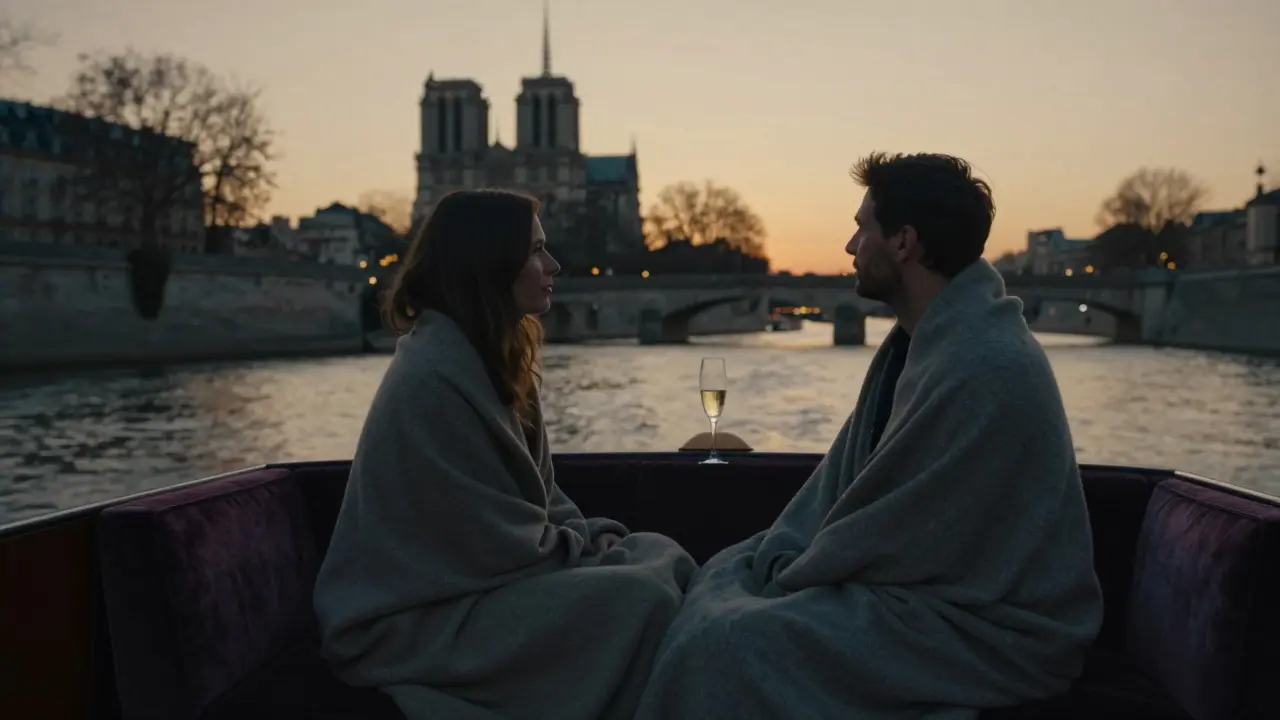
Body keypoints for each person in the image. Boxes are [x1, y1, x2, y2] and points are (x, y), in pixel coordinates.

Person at [634, 153, 1105, 719]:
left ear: (904, 242)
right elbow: (887, 513)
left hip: (994, 633)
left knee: (725, 643)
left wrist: (793, 573)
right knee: (722, 578)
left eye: (862, 228)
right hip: (932, 602)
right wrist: (784, 560)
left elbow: (905, 534)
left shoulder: (987, 365)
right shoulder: (925, 343)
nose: (850, 246)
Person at [313, 189, 697, 720]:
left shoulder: (490, 356)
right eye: (536, 251)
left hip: (473, 588)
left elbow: (539, 495)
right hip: (411, 622)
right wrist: (585, 544)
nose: (554, 265)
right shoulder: (432, 379)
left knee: (656, 553)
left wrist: (588, 534)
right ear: (490, 265)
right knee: (639, 596)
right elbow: (490, 542)